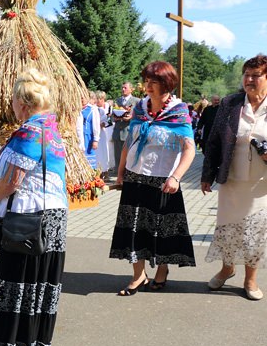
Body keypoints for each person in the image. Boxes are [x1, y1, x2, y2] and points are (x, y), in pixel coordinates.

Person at [0, 69, 68, 346]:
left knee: (20, 283)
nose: (12, 105)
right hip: (51, 217)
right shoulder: (51, 130)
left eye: (14, 100)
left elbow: (12, 180)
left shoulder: (30, 132)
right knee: (39, 284)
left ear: (23, 103)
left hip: (30, 217)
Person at [109, 61, 196, 295]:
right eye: (146, 81)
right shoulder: (140, 108)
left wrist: (176, 177)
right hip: (136, 177)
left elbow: (189, 149)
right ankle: (138, 276)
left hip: (163, 181)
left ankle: (162, 270)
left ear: (167, 84)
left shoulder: (178, 112)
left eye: (153, 82)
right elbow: (130, 142)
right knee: (133, 228)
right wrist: (120, 172)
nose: (148, 86)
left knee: (162, 229)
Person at [201, 54, 267, 301]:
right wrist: (207, 174)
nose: (249, 80)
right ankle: (227, 268)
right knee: (228, 228)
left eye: (256, 75)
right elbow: (215, 141)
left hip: (262, 185)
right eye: (246, 75)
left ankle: (250, 279)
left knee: (255, 232)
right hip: (232, 179)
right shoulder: (230, 103)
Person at [112, 82, 139, 171]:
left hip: (128, 131)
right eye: (122, 88)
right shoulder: (118, 100)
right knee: (117, 155)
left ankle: (128, 174)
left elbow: (141, 117)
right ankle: (118, 175)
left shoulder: (137, 101)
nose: (123, 89)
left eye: (125, 88)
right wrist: (114, 117)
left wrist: (132, 117)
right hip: (117, 132)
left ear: (131, 89)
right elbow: (112, 115)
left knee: (129, 155)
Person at [81, 91, 100, 169]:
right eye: (80, 98)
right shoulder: (77, 109)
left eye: (83, 98)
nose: (82, 99)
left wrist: (96, 140)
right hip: (79, 136)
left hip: (88, 136)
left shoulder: (92, 109)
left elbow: (96, 124)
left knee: (88, 156)